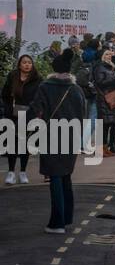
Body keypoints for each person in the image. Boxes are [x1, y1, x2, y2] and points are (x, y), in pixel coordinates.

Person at [29, 50, 88, 233]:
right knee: (65, 176)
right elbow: (82, 114)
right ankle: (66, 217)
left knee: (55, 177)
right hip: (71, 137)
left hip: (51, 135)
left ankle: (57, 223)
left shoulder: (46, 87)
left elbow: (35, 110)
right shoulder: (76, 89)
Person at [3, 54, 40, 183]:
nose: (27, 65)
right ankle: (11, 172)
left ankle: (23, 171)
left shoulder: (37, 79)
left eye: (29, 62)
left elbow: (39, 98)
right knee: (12, 143)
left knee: (25, 144)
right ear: (19, 64)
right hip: (13, 114)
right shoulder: (12, 76)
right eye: (24, 62)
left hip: (29, 115)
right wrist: (8, 109)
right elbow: (5, 95)